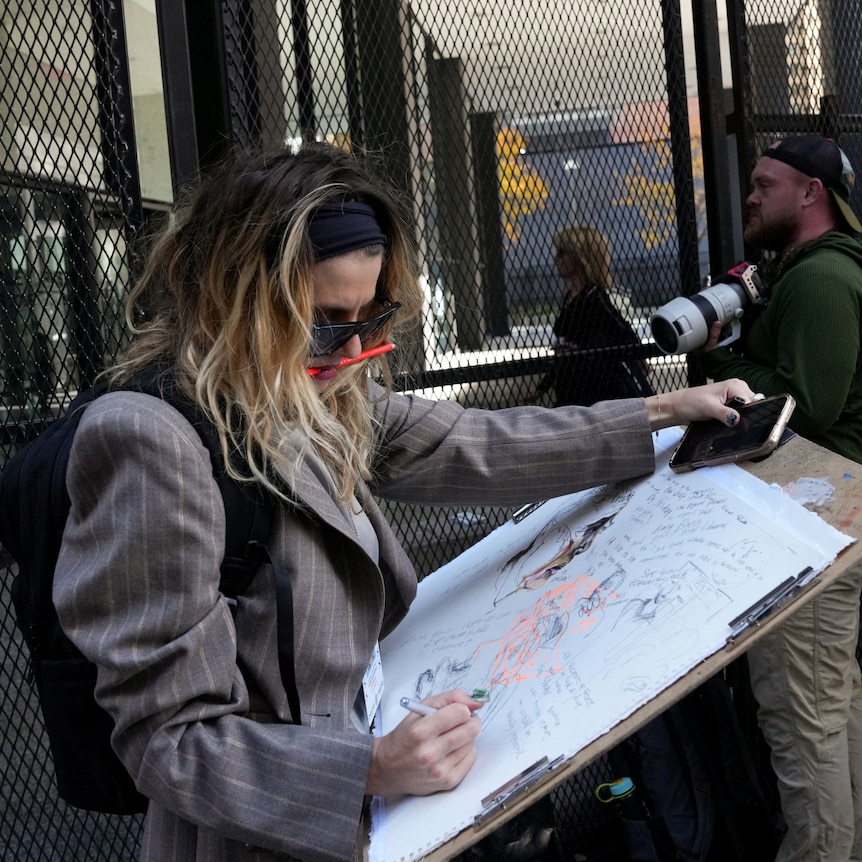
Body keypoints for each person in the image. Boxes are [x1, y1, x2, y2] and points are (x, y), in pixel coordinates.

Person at [52, 141, 754, 862]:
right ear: (236, 295)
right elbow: (168, 740)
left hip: (387, 808)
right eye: (326, 320)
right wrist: (371, 770)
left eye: (371, 318)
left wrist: (662, 412)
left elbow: (477, 444)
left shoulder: (314, 388)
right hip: (263, 836)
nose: (353, 350)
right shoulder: (151, 440)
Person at [697, 134, 862, 861]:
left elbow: (806, 407)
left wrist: (719, 357)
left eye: (766, 184)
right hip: (820, 515)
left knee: (803, 717)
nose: (752, 197)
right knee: (828, 706)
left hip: (812, 519)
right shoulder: (809, 274)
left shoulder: (822, 279)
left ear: (812, 193)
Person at [533, 225, 653, 406]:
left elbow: (620, 328)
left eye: (563, 253)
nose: (556, 259)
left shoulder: (593, 297)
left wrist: (640, 357)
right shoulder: (571, 297)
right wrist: (541, 388)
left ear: (580, 257)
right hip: (574, 385)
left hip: (593, 388)